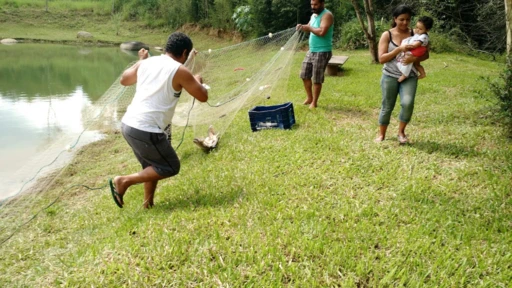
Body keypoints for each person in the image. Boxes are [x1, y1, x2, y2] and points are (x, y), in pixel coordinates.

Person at [109, 32, 208, 209]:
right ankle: (124, 181)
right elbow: (202, 96)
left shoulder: (147, 63)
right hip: (147, 130)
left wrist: (141, 61)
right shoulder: (180, 70)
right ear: (184, 53)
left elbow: (124, 80)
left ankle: (148, 203)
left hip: (128, 125)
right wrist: (199, 82)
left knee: (152, 166)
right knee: (170, 166)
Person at [375, 5, 429, 144]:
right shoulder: (387, 34)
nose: (405, 23)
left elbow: (426, 54)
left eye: (408, 20)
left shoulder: (416, 34)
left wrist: (414, 59)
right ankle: (382, 134)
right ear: (395, 19)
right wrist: (399, 49)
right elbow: (381, 59)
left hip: (409, 76)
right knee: (387, 105)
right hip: (389, 75)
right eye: (401, 19)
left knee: (407, 103)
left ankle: (401, 132)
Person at [296, 0, 334, 109]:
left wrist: (308, 28)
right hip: (311, 50)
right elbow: (309, 27)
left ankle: (314, 102)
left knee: (316, 78)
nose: (313, 7)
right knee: (304, 74)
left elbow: (322, 32)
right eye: (311, 4)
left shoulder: (327, 15)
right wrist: (302, 26)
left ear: (322, 3)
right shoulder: (314, 15)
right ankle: (309, 98)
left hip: (322, 51)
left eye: (316, 4)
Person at [397, 16, 434, 83]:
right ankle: (422, 74)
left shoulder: (423, 36)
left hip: (418, 50)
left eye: (420, 29)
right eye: (416, 27)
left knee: (407, 58)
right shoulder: (419, 34)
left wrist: (406, 46)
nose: (417, 30)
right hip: (418, 50)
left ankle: (404, 74)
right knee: (416, 64)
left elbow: (415, 45)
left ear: (427, 30)